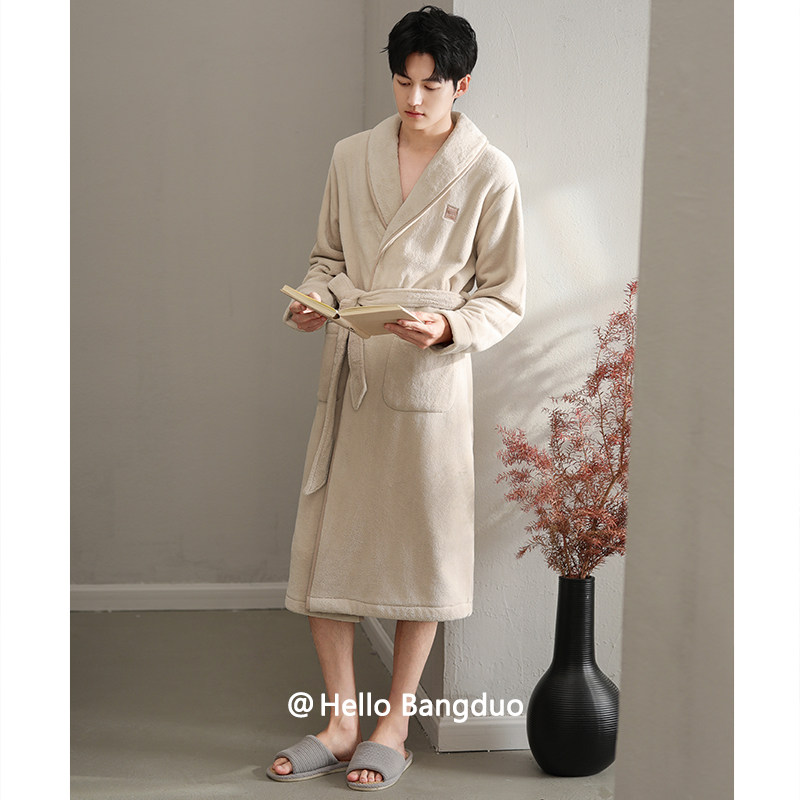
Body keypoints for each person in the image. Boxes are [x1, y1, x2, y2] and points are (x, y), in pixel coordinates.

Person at [268, 5, 526, 790]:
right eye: (402, 82)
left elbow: (504, 296)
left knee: (420, 548)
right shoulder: (351, 156)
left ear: (461, 85)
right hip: (353, 372)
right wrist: (316, 301)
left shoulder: (489, 172)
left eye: (431, 86)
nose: (414, 100)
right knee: (329, 544)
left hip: (425, 381)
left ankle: (395, 725)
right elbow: (326, 258)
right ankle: (341, 721)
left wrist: (447, 326)